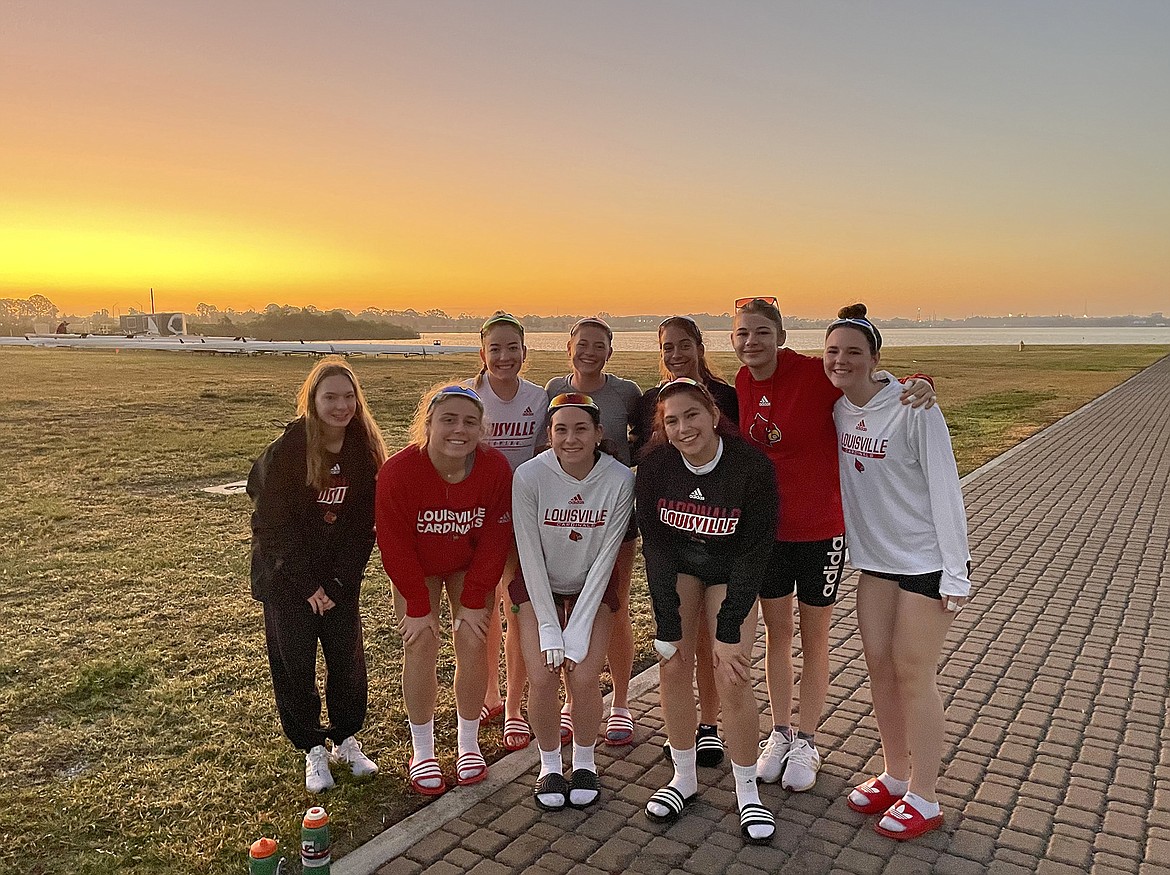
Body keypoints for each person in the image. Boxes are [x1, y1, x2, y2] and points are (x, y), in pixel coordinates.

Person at [731, 296, 935, 793]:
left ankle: (808, 739)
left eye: (761, 332)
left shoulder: (816, 372)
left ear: (780, 336)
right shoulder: (741, 382)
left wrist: (924, 382)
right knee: (777, 636)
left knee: (814, 636)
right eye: (741, 334)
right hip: (769, 533)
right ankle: (779, 733)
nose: (751, 343)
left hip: (822, 530)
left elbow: (871, 382)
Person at [824, 304, 971, 840]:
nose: (841, 361)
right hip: (875, 565)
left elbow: (945, 485)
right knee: (879, 668)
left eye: (854, 353)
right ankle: (894, 773)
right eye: (833, 351)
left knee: (914, 674)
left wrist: (956, 572)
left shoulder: (913, 406)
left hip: (926, 562)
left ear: (875, 359)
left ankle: (926, 796)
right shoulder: (838, 411)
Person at [637, 379, 779, 843]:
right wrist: (668, 623)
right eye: (672, 421)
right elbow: (655, 546)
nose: (683, 428)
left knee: (731, 670)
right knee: (673, 665)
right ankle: (684, 777)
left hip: (730, 567)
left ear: (713, 415)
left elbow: (755, 550)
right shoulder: (656, 465)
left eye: (691, 416)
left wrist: (730, 624)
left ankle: (747, 791)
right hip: (679, 565)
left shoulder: (750, 466)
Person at [247, 356, 388, 793]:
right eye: (330, 396)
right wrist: (308, 586)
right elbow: (272, 526)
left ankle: (346, 738)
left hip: (337, 579)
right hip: (288, 579)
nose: (341, 405)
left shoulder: (363, 449)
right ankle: (311, 748)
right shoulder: (289, 450)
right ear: (312, 400)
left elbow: (364, 526)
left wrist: (339, 583)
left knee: (347, 660)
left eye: (348, 396)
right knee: (295, 663)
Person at [375, 384, 513, 796]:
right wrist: (417, 605)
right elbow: (394, 544)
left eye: (470, 422)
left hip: (467, 563)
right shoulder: (398, 471)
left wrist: (474, 601)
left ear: (481, 428)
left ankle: (468, 742)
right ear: (428, 424)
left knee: (472, 638)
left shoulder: (494, 467)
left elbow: (495, 538)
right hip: (417, 565)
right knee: (420, 642)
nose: (459, 430)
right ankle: (423, 751)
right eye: (448, 420)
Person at [511, 392, 635, 810]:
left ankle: (584, 761)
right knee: (543, 676)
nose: (570, 438)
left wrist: (578, 628)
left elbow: (607, 558)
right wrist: (550, 626)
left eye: (581, 428)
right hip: (539, 584)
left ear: (599, 433)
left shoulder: (620, 478)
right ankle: (549, 765)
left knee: (583, 676)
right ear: (549, 435)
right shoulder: (529, 476)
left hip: (592, 589)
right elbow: (527, 552)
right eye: (560, 429)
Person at [632, 315, 739, 767]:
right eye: (666, 347)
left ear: (699, 345)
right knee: (677, 640)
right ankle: (680, 733)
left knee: (715, 639)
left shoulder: (728, 396)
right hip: (671, 532)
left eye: (683, 345)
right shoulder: (647, 402)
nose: (675, 355)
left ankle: (710, 725)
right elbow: (638, 460)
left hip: (719, 533)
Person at [544, 317, 642, 746]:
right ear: (569, 348)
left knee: (614, 609)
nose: (589, 351)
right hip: (562, 519)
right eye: (582, 344)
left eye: (598, 345)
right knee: (566, 609)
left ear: (610, 350)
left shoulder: (626, 393)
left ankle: (620, 701)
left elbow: (644, 441)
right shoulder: (552, 390)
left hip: (614, 516)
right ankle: (571, 701)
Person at [466, 311, 549, 752]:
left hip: (524, 517)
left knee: (517, 611)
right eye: (494, 348)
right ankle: (488, 693)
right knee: (481, 609)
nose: (504, 357)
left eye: (512, 348)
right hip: (476, 517)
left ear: (524, 353)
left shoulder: (539, 398)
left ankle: (515, 706)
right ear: (482, 353)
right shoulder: (466, 396)